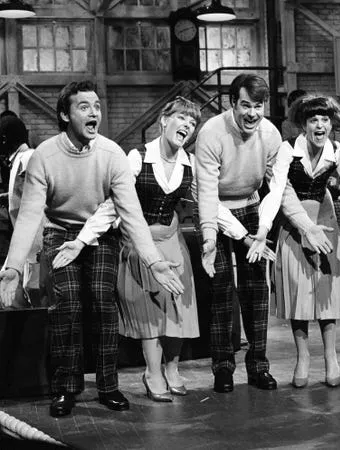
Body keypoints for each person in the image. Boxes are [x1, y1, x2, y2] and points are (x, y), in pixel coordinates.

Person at [0, 80, 184, 418]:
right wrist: (13, 267)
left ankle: (107, 385)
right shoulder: (44, 156)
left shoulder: (112, 154)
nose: (94, 112)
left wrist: (155, 261)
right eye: (84, 106)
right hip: (58, 231)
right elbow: (28, 216)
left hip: (99, 235)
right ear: (64, 114)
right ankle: (64, 388)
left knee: (102, 302)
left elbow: (130, 214)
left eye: (97, 106)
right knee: (66, 306)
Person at [55, 97, 204, 402]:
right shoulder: (137, 158)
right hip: (138, 246)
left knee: (178, 309)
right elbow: (112, 205)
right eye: (182, 118)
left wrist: (237, 234)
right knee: (150, 311)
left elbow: (209, 202)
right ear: (164, 121)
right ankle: (152, 372)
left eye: (193, 123)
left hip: (173, 242)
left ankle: (172, 369)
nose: (188, 126)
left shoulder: (189, 163)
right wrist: (82, 239)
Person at [196, 73, 283, 393]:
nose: (251, 113)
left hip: (250, 204)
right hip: (213, 206)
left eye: (258, 106)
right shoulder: (211, 133)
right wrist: (208, 237)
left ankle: (259, 366)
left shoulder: (271, 135)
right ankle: (222, 367)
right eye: (245, 105)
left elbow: (276, 189)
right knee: (220, 289)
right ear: (232, 104)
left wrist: (262, 231)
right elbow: (205, 193)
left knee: (256, 289)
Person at [266, 95, 340, 388]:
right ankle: (303, 357)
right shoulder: (286, 151)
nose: (320, 125)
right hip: (294, 226)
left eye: (325, 120)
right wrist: (303, 226)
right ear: (302, 124)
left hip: (325, 224)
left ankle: (330, 356)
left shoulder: (338, 150)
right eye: (314, 120)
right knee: (298, 292)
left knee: (326, 291)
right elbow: (281, 193)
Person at [0, 116, 45, 307]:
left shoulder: (28, 157)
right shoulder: (18, 160)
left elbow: (39, 200)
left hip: (35, 247)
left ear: (4, 139)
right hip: (26, 246)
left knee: (36, 300)